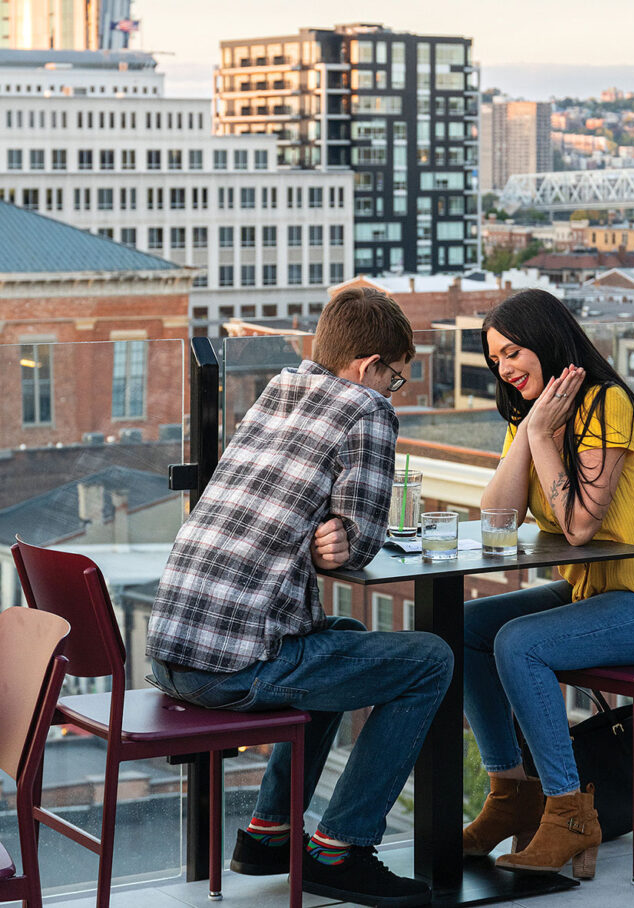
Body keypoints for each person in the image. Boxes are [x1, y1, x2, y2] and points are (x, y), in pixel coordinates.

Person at [146, 287, 453, 908]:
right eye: (395, 380)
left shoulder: (279, 392)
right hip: (233, 668)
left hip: (169, 657)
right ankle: (340, 851)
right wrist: (336, 540)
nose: (392, 393)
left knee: (343, 640)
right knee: (431, 659)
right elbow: (362, 542)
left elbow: (296, 515)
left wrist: (320, 541)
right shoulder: (366, 411)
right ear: (369, 368)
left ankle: (268, 832)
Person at [462, 289, 634, 879]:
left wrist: (542, 436)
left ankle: (568, 810)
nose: (505, 368)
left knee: (521, 643)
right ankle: (511, 791)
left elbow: (577, 527)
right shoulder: (533, 414)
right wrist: (530, 429)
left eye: (513, 351)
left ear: (547, 341)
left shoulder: (605, 403)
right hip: (595, 595)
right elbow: (498, 519)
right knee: (465, 627)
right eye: (496, 360)